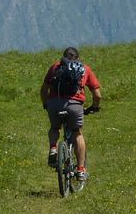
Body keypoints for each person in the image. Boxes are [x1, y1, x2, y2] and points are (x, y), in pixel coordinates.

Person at [40, 46, 102, 181]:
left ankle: (53, 148)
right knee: (77, 133)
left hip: (54, 104)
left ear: (63, 57)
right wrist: (94, 107)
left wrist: (46, 104)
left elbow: (44, 89)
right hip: (75, 106)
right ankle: (80, 170)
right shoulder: (84, 69)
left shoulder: (55, 67)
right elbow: (97, 95)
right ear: (78, 58)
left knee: (55, 127)